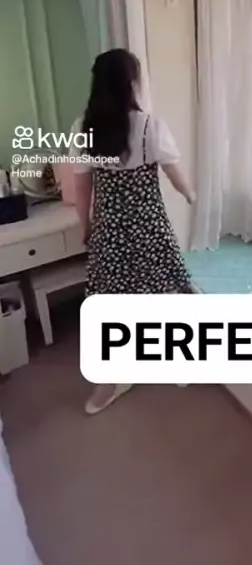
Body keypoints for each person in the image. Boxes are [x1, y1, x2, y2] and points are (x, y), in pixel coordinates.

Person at [70, 48, 195, 415]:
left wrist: (85, 226)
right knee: (166, 295)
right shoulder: (149, 126)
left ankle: (112, 378)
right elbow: (175, 175)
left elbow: (82, 188)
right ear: (131, 83)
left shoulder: (82, 128)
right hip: (148, 227)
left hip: (109, 230)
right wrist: (193, 196)